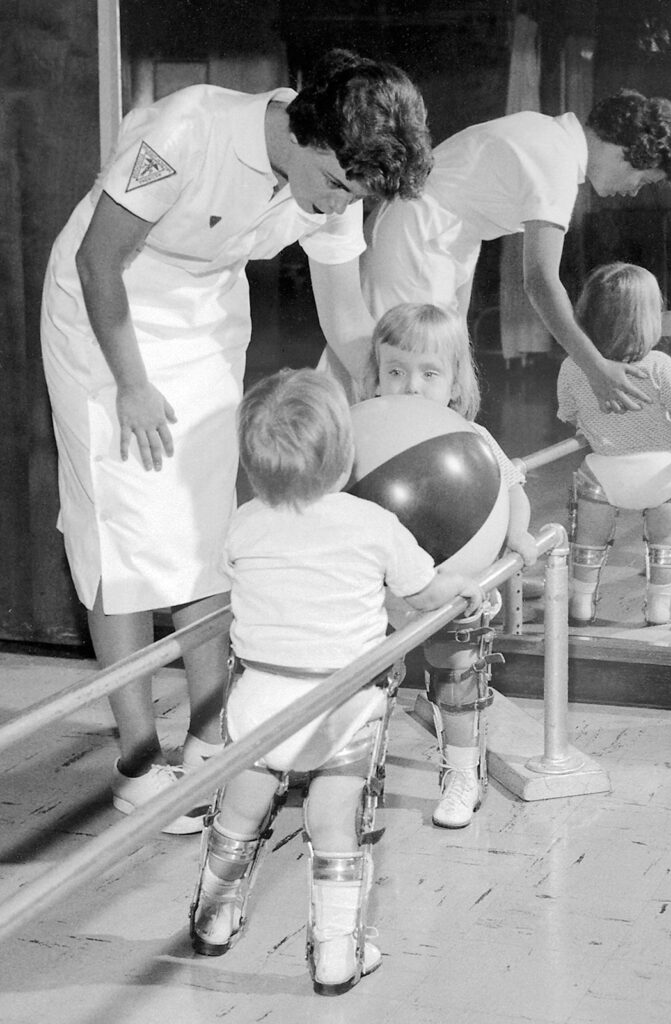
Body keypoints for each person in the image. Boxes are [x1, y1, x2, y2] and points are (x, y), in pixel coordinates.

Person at [40, 50, 433, 832]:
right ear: (309, 137)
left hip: (205, 314)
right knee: (124, 537)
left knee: (208, 530)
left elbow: (348, 322)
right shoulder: (186, 129)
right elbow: (97, 258)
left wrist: (400, 413)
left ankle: (211, 735)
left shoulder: (336, 179)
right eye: (334, 189)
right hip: (107, 318)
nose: (333, 209)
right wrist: (132, 384)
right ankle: (139, 757)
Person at [189, 368, 483, 993]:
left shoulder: (242, 522)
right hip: (343, 704)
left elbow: (233, 575)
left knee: (239, 815)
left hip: (259, 701)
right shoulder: (372, 525)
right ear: (345, 455)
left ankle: (213, 920)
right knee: (332, 826)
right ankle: (336, 953)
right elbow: (425, 591)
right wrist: (460, 589)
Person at [361, 89, 671, 414]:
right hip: (418, 238)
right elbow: (539, 280)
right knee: (402, 376)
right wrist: (595, 367)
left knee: (431, 373)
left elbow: (468, 214)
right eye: (642, 181)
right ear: (628, 152)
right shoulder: (557, 160)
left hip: (437, 239)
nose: (633, 193)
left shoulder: (549, 135)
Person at [365, 302, 538, 828]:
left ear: (455, 384)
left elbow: (511, 491)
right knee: (366, 684)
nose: (411, 385)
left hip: (452, 587)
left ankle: (463, 772)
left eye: (429, 373)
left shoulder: (472, 440)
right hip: (378, 592)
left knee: (457, 678)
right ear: (375, 376)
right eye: (395, 371)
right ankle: (355, 772)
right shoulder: (362, 428)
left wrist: (518, 532)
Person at [557, 263, 671, 626]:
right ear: (650, 319)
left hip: (603, 474)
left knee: (588, 544)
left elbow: (569, 415)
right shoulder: (659, 365)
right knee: (664, 546)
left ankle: (580, 601)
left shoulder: (574, 366)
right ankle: (659, 606)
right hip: (660, 476)